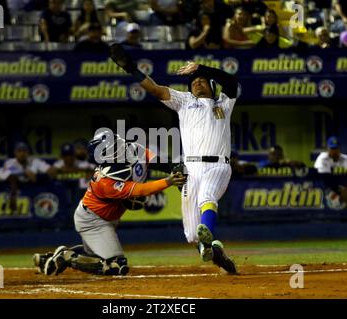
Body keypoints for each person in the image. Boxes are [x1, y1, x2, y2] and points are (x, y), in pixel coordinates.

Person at [108, 43, 240, 274]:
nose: (197, 82)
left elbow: (230, 82)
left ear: (211, 85)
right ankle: (215, 250)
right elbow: (156, 89)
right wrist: (131, 68)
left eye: (201, 80)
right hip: (190, 168)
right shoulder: (184, 100)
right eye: (194, 80)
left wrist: (202, 68)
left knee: (207, 197)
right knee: (191, 234)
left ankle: (207, 234)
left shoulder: (224, 104)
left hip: (218, 164)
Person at [33, 132, 185, 276]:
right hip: (92, 221)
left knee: (92, 255)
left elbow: (152, 159)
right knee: (116, 265)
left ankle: (51, 258)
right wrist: (169, 181)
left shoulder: (132, 149)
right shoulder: (105, 180)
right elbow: (141, 190)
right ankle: (68, 258)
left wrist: (172, 167)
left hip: (107, 217)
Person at [314, 136, 347, 208]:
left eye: (336, 148)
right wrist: (341, 190)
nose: (334, 151)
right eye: (332, 148)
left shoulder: (344, 158)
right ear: (328, 149)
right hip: (322, 187)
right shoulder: (322, 158)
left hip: (338, 187)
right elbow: (325, 179)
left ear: (340, 149)